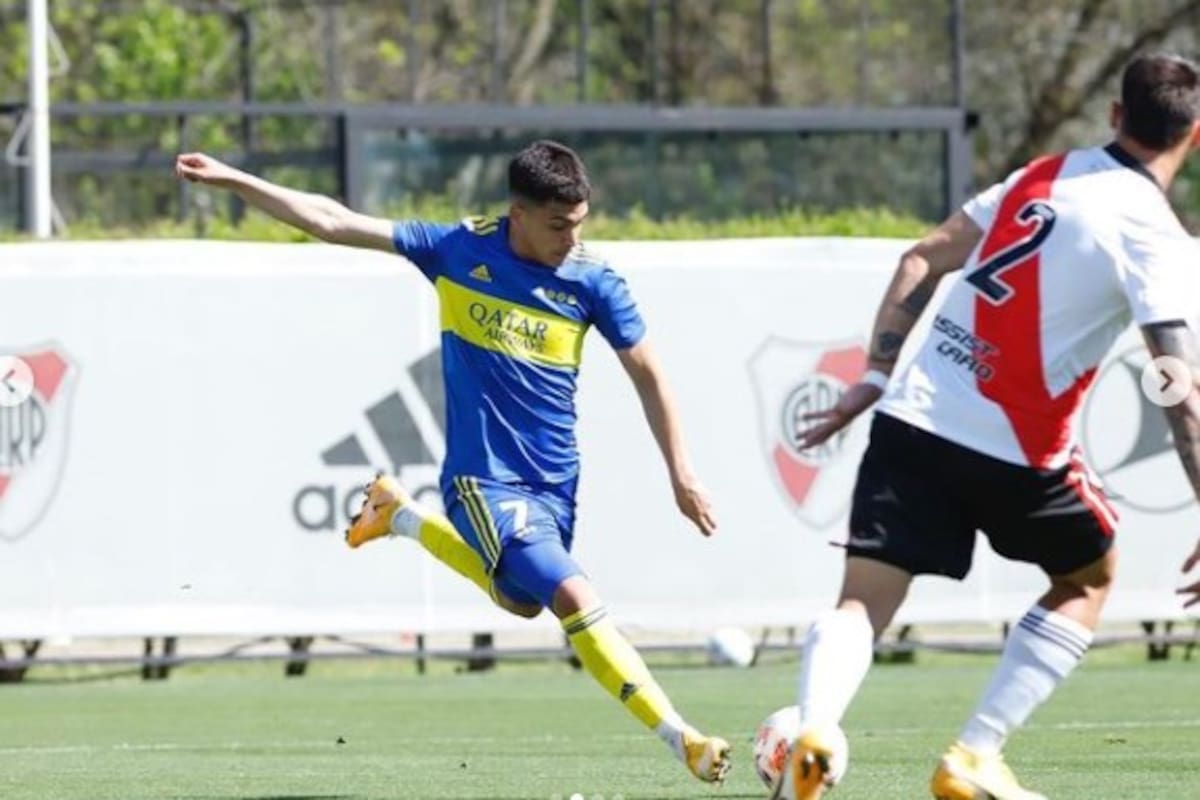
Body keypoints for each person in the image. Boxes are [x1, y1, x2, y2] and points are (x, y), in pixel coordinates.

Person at [174, 140, 731, 784]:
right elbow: (331, 220)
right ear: (517, 213)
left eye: (579, 224)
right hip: (482, 479)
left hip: (555, 484)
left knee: (523, 602)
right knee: (574, 594)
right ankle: (681, 738)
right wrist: (237, 178)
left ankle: (401, 517)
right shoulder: (458, 251)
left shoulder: (592, 279)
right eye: (558, 226)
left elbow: (649, 371)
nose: (570, 239)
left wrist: (681, 472)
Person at [774, 53, 1200, 800]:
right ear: (1194, 137)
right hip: (1018, 450)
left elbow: (919, 260)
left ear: (1113, 115)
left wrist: (871, 378)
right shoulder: (1154, 235)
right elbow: (1175, 381)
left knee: (863, 601)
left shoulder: (1039, 176)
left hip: (912, 419)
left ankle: (814, 729)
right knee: (1087, 577)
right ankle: (974, 754)